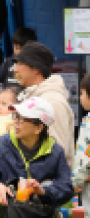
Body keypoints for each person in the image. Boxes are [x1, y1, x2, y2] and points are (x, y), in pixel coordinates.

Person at [0, 97, 74, 218]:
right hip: (8, 206)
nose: (16, 122)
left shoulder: (55, 152)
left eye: (22, 119)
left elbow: (66, 187)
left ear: (38, 128)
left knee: (48, 184)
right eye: (16, 117)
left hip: (38, 209)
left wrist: (43, 191)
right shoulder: (0, 145)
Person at [15, 41, 75, 167]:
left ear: (36, 69)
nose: (15, 69)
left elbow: (59, 151)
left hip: (49, 183)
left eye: (20, 64)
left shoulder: (52, 101)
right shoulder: (32, 96)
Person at [0, 27, 37, 104]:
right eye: (16, 48)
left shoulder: (33, 65)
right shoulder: (8, 62)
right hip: (7, 101)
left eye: (21, 49)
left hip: (25, 102)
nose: (18, 52)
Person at [71, 74, 90, 208]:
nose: (80, 97)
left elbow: (86, 158)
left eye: (82, 93)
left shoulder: (88, 123)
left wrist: (76, 181)